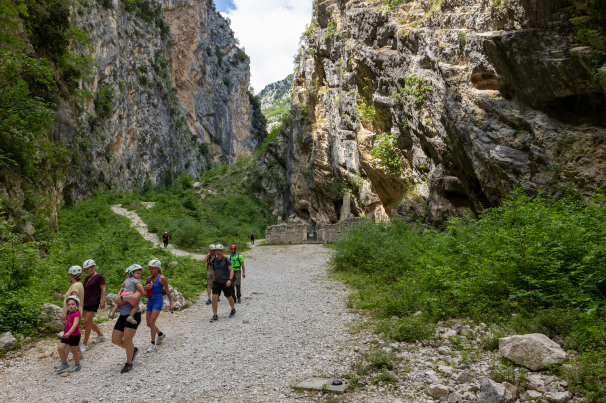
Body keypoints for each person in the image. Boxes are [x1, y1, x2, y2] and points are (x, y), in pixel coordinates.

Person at [111, 264, 144, 374]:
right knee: (115, 340)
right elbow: (116, 301)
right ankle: (132, 350)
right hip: (123, 316)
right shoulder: (123, 288)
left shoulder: (138, 286)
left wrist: (122, 298)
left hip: (133, 315)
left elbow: (135, 297)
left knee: (127, 340)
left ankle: (129, 363)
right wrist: (122, 298)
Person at [52, 266, 84, 368]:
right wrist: (63, 296)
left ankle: (64, 361)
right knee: (73, 334)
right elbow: (72, 299)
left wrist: (65, 313)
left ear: (71, 275)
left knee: (68, 336)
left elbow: (73, 300)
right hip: (75, 313)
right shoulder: (79, 284)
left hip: (72, 314)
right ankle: (79, 353)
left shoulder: (75, 286)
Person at [144, 259, 174, 353]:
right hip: (150, 301)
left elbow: (167, 291)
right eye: (149, 268)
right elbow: (145, 292)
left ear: (157, 268)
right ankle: (160, 334)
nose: (150, 270)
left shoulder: (162, 278)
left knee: (152, 321)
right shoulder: (148, 278)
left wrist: (171, 303)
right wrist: (145, 288)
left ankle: (153, 343)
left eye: (152, 268)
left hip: (158, 300)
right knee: (149, 323)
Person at [80, 259, 106, 353]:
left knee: (87, 321)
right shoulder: (87, 279)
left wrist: (103, 300)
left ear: (93, 267)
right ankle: (100, 335)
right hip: (85, 302)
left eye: (88, 269)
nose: (87, 271)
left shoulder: (99, 277)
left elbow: (103, 289)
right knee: (89, 321)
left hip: (93, 302)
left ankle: (85, 344)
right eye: (85, 269)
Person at [55, 296, 83, 373]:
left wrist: (69, 332)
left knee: (74, 351)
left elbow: (75, 324)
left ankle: (77, 365)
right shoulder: (68, 313)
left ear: (77, 305)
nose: (71, 306)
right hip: (66, 335)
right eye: (69, 304)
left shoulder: (77, 314)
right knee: (60, 348)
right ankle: (64, 363)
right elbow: (68, 322)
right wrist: (64, 319)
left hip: (74, 335)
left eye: (73, 304)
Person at [210, 244, 236, 322]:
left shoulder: (226, 260)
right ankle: (215, 315)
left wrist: (230, 280)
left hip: (225, 282)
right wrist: (212, 281)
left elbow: (231, 270)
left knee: (229, 297)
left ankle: (233, 309)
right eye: (216, 251)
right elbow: (213, 271)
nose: (217, 252)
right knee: (214, 297)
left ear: (222, 251)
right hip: (217, 282)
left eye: (219, 251)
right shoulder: (214, 261)